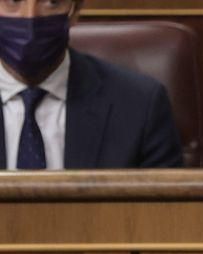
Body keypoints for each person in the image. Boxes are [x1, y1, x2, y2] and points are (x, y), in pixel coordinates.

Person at [0, 0, 183, 169]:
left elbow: (165, 204)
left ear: (75, 11)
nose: (30, 17)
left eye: (52, 1)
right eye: (13, 0)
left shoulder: (141, 105)